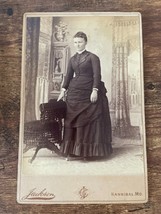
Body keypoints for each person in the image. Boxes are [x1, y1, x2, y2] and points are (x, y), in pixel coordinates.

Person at [57, 31, 112, 160]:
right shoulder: (72, 59)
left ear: (85, 42)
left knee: (88, 121)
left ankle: (87, 152)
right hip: (74, 93)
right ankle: (74, 151)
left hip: (89, 91)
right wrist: (63, 90)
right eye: (75, 42)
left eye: (80, 42)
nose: (77, 45)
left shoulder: (93, 57)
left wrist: (95, 90)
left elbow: (97, 75)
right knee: (73, 121)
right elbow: (68, 75)